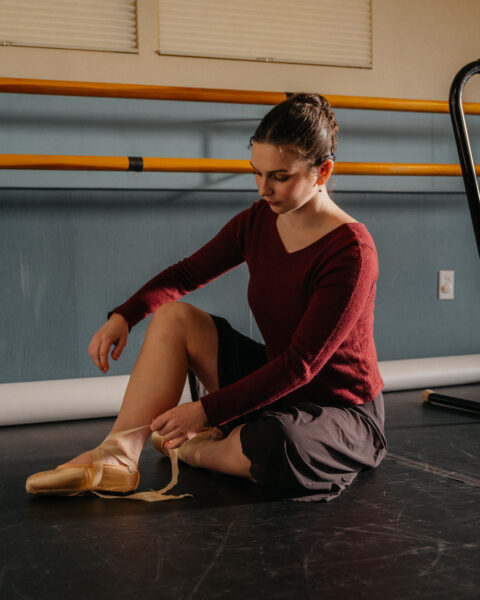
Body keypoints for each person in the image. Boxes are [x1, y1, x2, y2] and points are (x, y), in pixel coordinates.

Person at [26, 93, 387, 502]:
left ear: (322, 172)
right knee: (175, 317)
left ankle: (197, 449)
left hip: (339, 409)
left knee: (277, 441)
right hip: (275, 383)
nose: (263, 188)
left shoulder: (352, 252)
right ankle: (118, 455)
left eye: (279, 177)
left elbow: (302, 365)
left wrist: (205, 412)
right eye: (256, 172)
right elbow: (187, 273)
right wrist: (125, 316)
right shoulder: (258, 221)